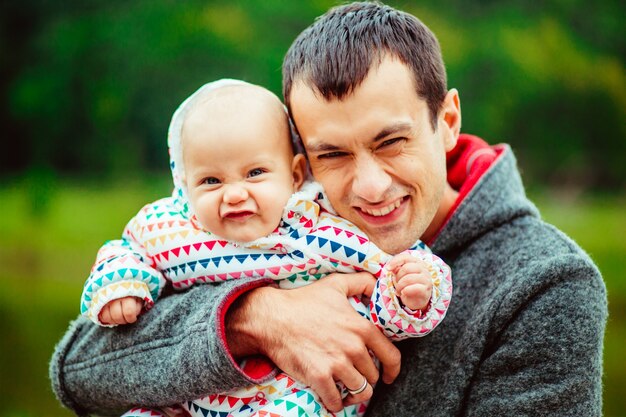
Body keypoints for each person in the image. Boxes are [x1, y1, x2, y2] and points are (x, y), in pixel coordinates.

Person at [50, 2, 607, 416]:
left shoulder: (545, 282)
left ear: (448, 121)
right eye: (332, 154)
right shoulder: (267, 223)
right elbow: (78, 372)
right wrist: (255, 318)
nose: (369, 186)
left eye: (391, 142)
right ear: (300, 162)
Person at [79, 78, 451, 417]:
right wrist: (120, 284)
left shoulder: (320, 231)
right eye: (211, 180)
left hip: (293, 394)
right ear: (185, 186)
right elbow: (128, 251)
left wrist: (411, 295)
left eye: (255, 173)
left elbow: (387, 278)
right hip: (187, 400)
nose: (235, 193)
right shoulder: (174, 229)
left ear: (293, 175)